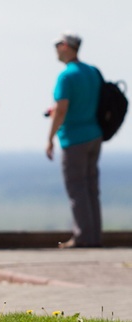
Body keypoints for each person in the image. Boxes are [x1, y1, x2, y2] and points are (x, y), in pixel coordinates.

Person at [46, 32, 103, 248]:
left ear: (68, 47)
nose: (56, 49)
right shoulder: (92, 72)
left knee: (77, 187)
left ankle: (82, 237)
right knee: (91, 187)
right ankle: (94, 236)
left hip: (74, 138)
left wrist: (50, 138)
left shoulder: (66, 76)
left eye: (59, 45)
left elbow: (61, 110)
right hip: (94, 134)